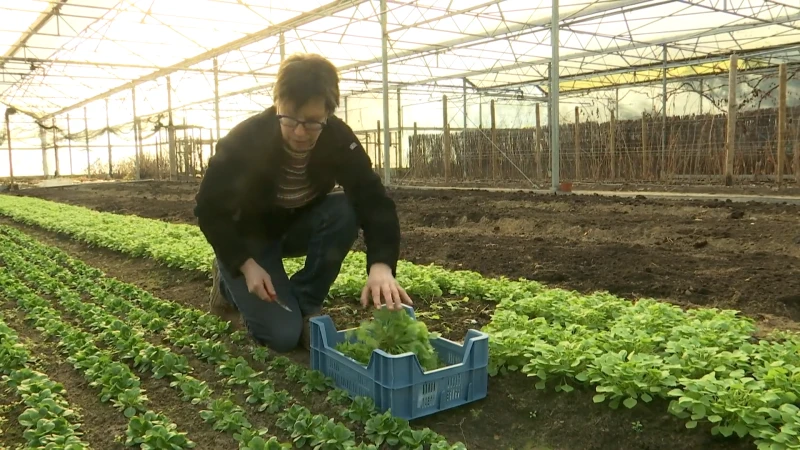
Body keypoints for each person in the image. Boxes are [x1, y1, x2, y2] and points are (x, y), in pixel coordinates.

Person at [193, 53, 413, 353]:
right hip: (251, 238)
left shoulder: (337, 139)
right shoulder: (245, 140)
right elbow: (208, 208)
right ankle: (227, 285)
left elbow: (373, 200)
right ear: (277, 105)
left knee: (345, 210)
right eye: (289, 119)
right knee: (283, 336)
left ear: (328, 113)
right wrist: (243, 263)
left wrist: (381, 265)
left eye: (311, 122)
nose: (299, 132)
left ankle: (306, 303)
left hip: (296, 226)